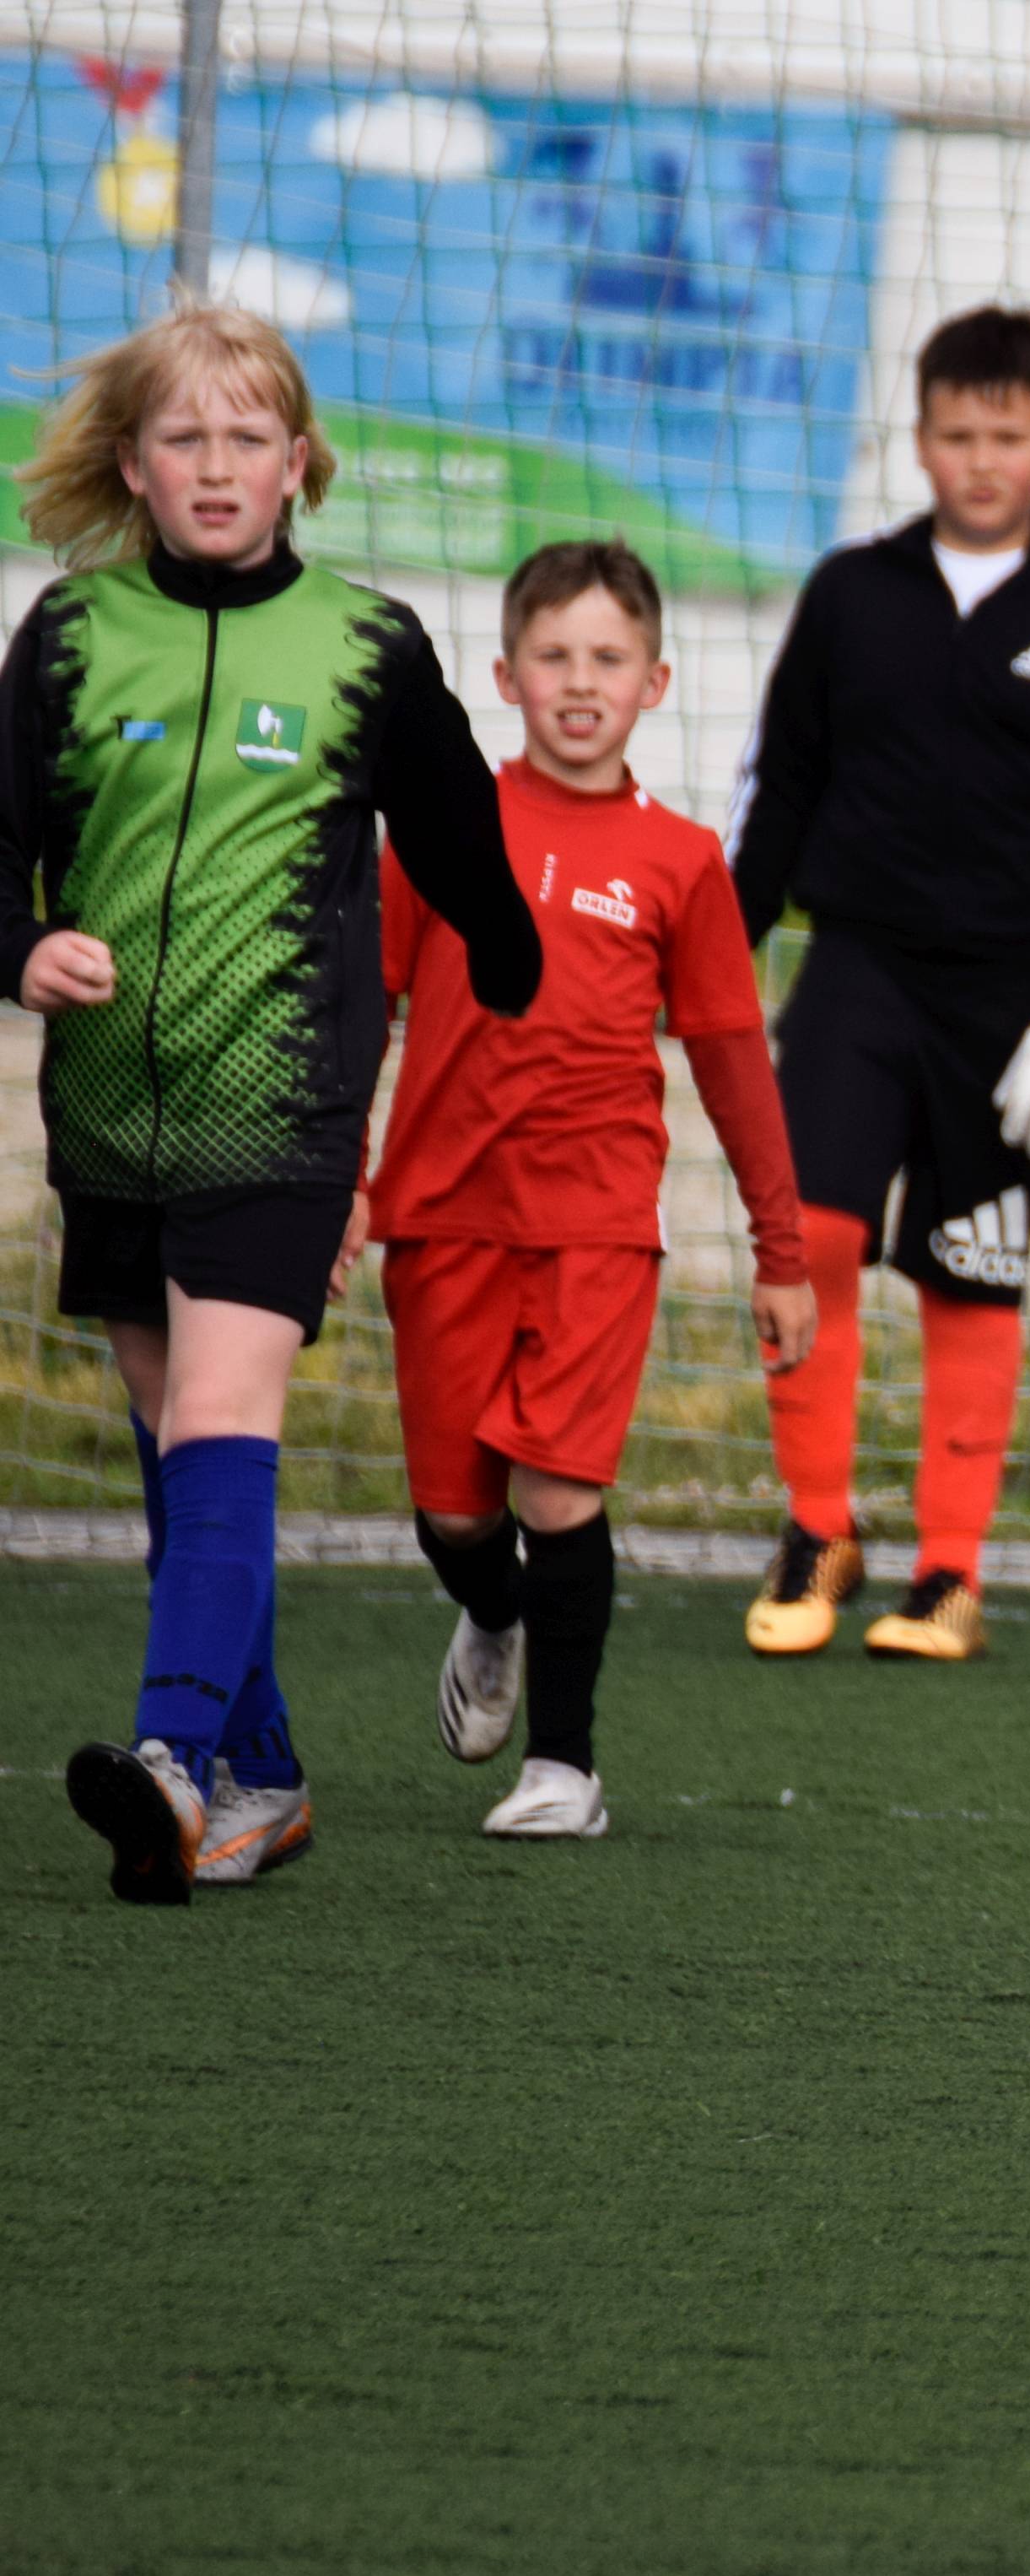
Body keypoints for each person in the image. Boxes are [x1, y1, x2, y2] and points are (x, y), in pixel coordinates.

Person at [0, 301, 540, 1906]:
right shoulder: (69, 636)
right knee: (176, 1443)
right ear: (134, 466)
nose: (218, 464)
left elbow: (458, 842)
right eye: (186, 438)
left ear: (300, 464)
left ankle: (171, 1763)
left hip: (284, 1110)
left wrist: (516, 956)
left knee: (225, 1421)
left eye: (249, 438)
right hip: (111, 1117)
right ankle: (268, 1773)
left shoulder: (369, 647)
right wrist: (21, 949)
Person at [726, 303, 1030, 1663]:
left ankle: (949, 1571)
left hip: (1014, 1005)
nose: (982, 460)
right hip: (857, 973)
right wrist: (715, 953)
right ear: (917, 440)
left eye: (1008, 436)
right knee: (809, 1238)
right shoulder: (850, 594)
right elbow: (776, 788)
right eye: (958, 434)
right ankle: (817, 1529)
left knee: (971, 1273)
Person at [347, 539, 812, 1840]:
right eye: (553, 656)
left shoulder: (682, 860)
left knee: (556, 1491)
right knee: (458, 1515)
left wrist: (781, 1253)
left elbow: (734, 1064)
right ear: (505, 676)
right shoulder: (439, 828)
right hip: (441, 1216)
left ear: (655, 682)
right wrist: (342, 1183)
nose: (581, 681)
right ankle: (492, 1611)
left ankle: (566, 1769)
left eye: (609, 657)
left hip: (599, 1225)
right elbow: (360, 1013)